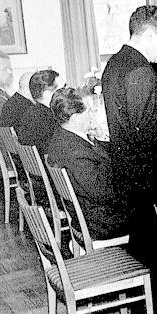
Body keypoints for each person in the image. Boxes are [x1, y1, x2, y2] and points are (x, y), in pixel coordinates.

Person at [102, 4, 157, 314]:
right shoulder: (140, 72)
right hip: (148, 178)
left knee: (143, 246)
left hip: (127, 174)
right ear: (149, 34)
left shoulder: (115, 64)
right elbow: (147, 137)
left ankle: (144, 310)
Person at [45, 87, 128, 241]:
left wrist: (100, 140)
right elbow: (104, 192)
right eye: (89, 111)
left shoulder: (61, 137)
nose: (93, 114)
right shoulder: (77, 153)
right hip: (102, 223)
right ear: (75, 118)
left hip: (88, 215)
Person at [16, 70, 63, 155]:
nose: (64, 94)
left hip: (39, 160)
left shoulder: (32, 112)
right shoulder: (47, 117)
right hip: (49, 160)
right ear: (47, 94)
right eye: (60, 90)